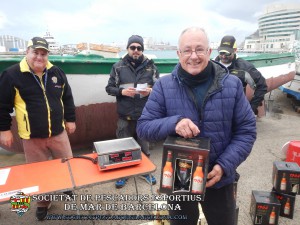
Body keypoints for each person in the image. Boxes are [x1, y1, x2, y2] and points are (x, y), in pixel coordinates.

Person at [137, 27, 257, 225]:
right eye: (187, 50)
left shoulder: (233, 85)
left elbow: (246, 131)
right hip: (179, 177)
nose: (193, 56)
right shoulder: (163, 86)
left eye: (200, 49)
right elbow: (144, 128)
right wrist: (174, 123)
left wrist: (224, 166)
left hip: (218, 178)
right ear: (179, 54)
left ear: (210, 52)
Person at [0, 37, 76, 220]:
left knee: (68, 165)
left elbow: (67, 98)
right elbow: (2, 105)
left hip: (58, 133)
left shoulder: (57, 71)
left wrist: (70, 119)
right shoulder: (11, 74)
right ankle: (43, 202)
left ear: (47, 55)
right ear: (27, 52)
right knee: (38, 174)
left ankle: (66, 186)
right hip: (32, 137)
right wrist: (4, 130)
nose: (39, 57)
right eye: (35, 52)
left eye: (43, 53)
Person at [105, 35, 160, 189]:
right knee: (122, 147)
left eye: (139, 48)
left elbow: (159, 89)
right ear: (128, 48)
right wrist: (122, 92)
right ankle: (123, 174)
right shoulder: (118, 67)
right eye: (133, 47)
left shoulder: (152, 67)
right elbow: (109, 88)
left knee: (144, 147)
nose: (136, 50)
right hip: (125, 115)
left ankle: (146, 172)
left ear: (142, 49)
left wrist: (151, 91)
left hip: (144, 116)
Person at [215, 35, 268, 115]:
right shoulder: (212, 65)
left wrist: (252, 107)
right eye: (221, 52)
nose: (223, 56)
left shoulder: (245, 68)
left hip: (236, 112)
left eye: (227, 53)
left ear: (235, 50)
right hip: (216, 111)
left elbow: (262, 86)